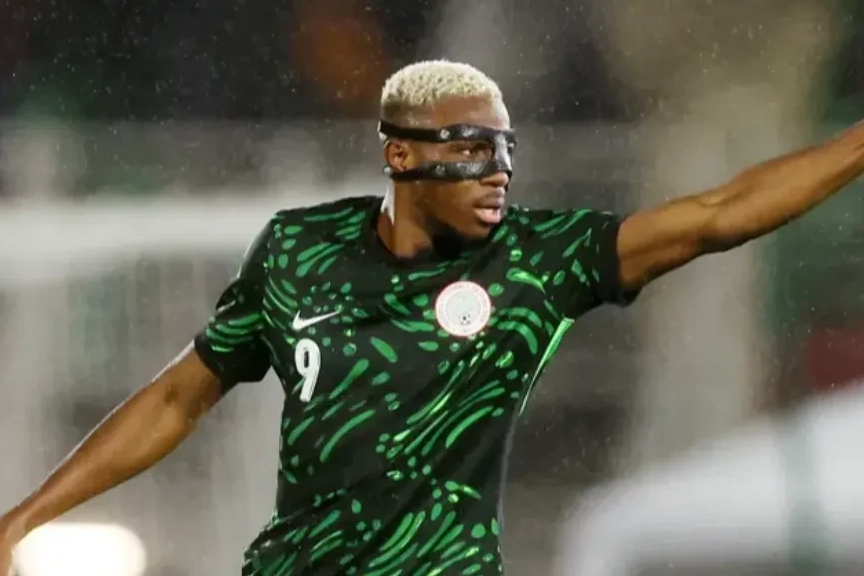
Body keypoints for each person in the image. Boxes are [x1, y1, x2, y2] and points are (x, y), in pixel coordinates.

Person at [1, 58, 863, 576]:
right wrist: (26, 517)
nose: (499, 171)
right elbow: (176, 397)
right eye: (472, 150)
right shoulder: (298, 250)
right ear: (401, 154)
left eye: (506, 150)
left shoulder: (535, 263)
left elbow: (718, 214)